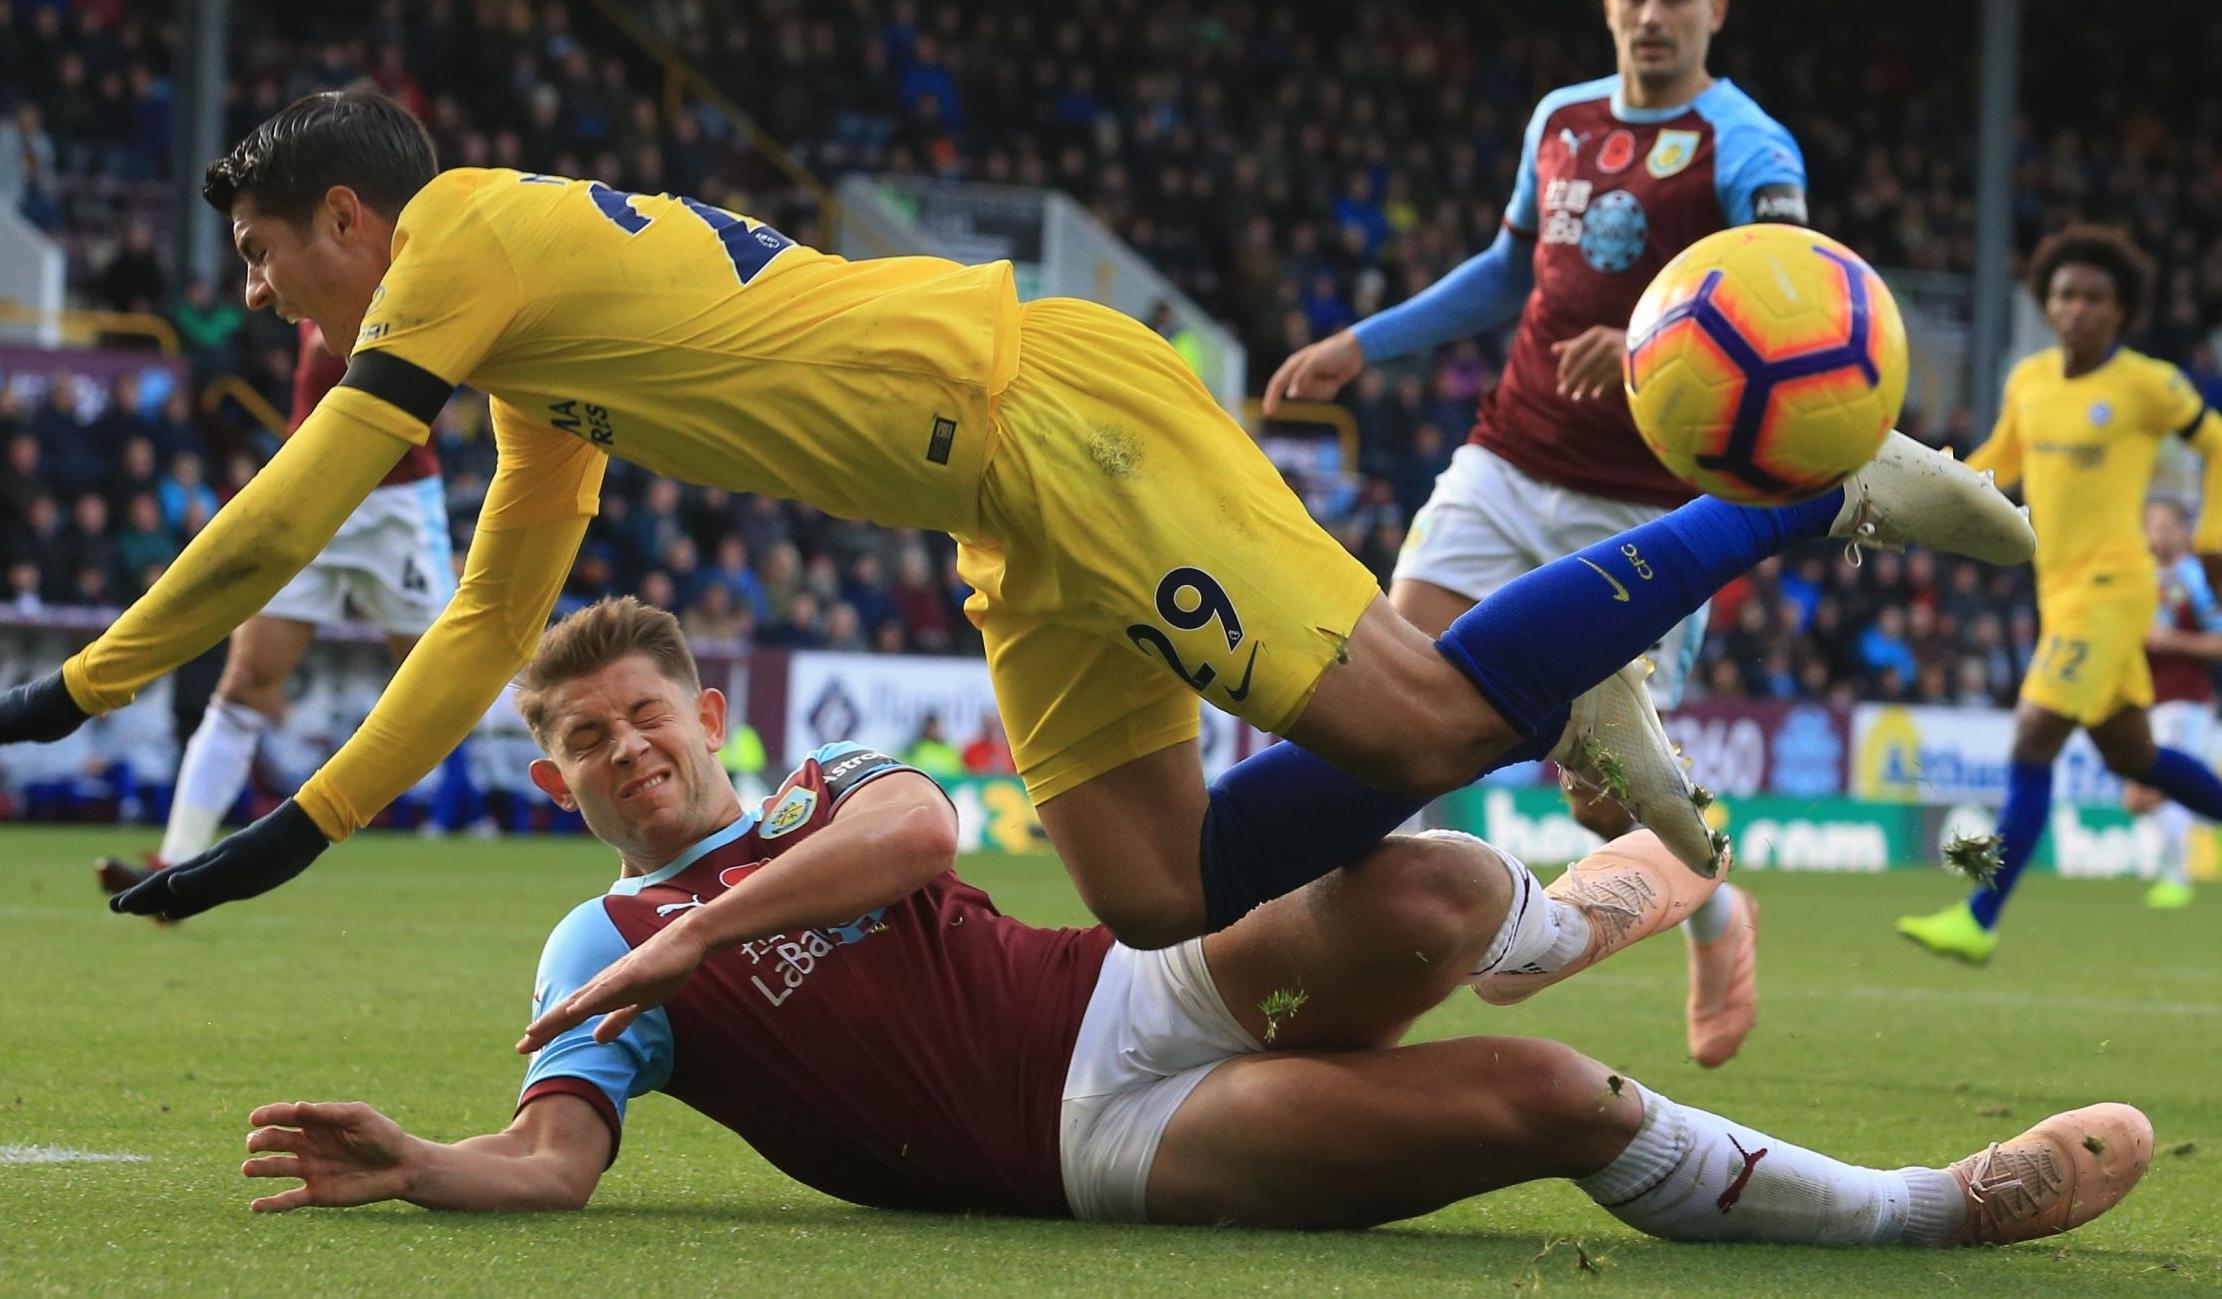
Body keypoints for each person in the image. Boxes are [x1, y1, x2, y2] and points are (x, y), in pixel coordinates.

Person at [0, 90, 2032, 942]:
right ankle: (1550, 685)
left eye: (269, 252)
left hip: (1053, 417)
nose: (263, 289)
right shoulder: (532, 358)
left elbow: (302, 494)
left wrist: (80, 684)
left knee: (1418, 732)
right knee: (1151, 888)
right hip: (1002, 516)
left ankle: (1799, 489)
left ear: (350, 213)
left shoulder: (459, 239)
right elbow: (473, 630)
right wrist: (289, 833)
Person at [234, 597, 2150, 1249]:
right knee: (1553, 1102)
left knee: (1420, 884)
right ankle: (1920, 1204)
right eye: (586, 741)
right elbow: (553, 1162)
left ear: (709, 716)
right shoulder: (589, 941)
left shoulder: (822, 802)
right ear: (557, 772)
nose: (627, 751)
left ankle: (1592, 898)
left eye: (649, 716)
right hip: (1104, 1144)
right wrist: (421, 1162)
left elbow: (914, 827)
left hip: (1129, 987)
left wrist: (692, 935)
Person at [1265, 0, 1806, 1066]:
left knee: (1603, 807)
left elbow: (1786, 284)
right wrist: (1363, 342)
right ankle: (1338, 983)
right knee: (1373, 704)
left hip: (1648, 513)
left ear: (1714, 12)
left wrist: (1654, 336)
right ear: (1605, 1)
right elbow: (1508, 272)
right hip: (1504, 464)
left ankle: (1712, 903)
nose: (1650, 14)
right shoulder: (1560, 119)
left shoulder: (1745, 144)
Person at [1899, 227, 2222, 962]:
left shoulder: (2148, 383)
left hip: (2115, 589)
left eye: (2095, 297)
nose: (2077, 308)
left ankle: (1979, 916)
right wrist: (1915, 492)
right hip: (2060, 590)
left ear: (2121, 310)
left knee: (2034, 736)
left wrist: (2211, 537)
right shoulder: (2029, 380)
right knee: (2134, 755)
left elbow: (2216, 442)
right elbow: (1995, 466)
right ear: (2046, 303)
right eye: (2066, 294)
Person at [94, 321, 459, 895]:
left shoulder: (414, 252)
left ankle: (503, 810)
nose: (257, 292)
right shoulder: (297, 255)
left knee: (446, 685)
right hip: (311, 485)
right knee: (247, 683)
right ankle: (175, 863)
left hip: (397, 504)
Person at [2125, 498, 2222, 909]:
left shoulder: (2195, 578)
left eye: (2166, 525)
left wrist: (2173, 642)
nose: (2158, 533)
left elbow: (2218, 639)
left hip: (2186, 700)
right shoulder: (2140, 578)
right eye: (2152, 524)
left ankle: (2177, 878)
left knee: (2156, 788)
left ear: (2184, 531)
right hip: (2150, 700)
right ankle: (2174, 875)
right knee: (2142, 795)